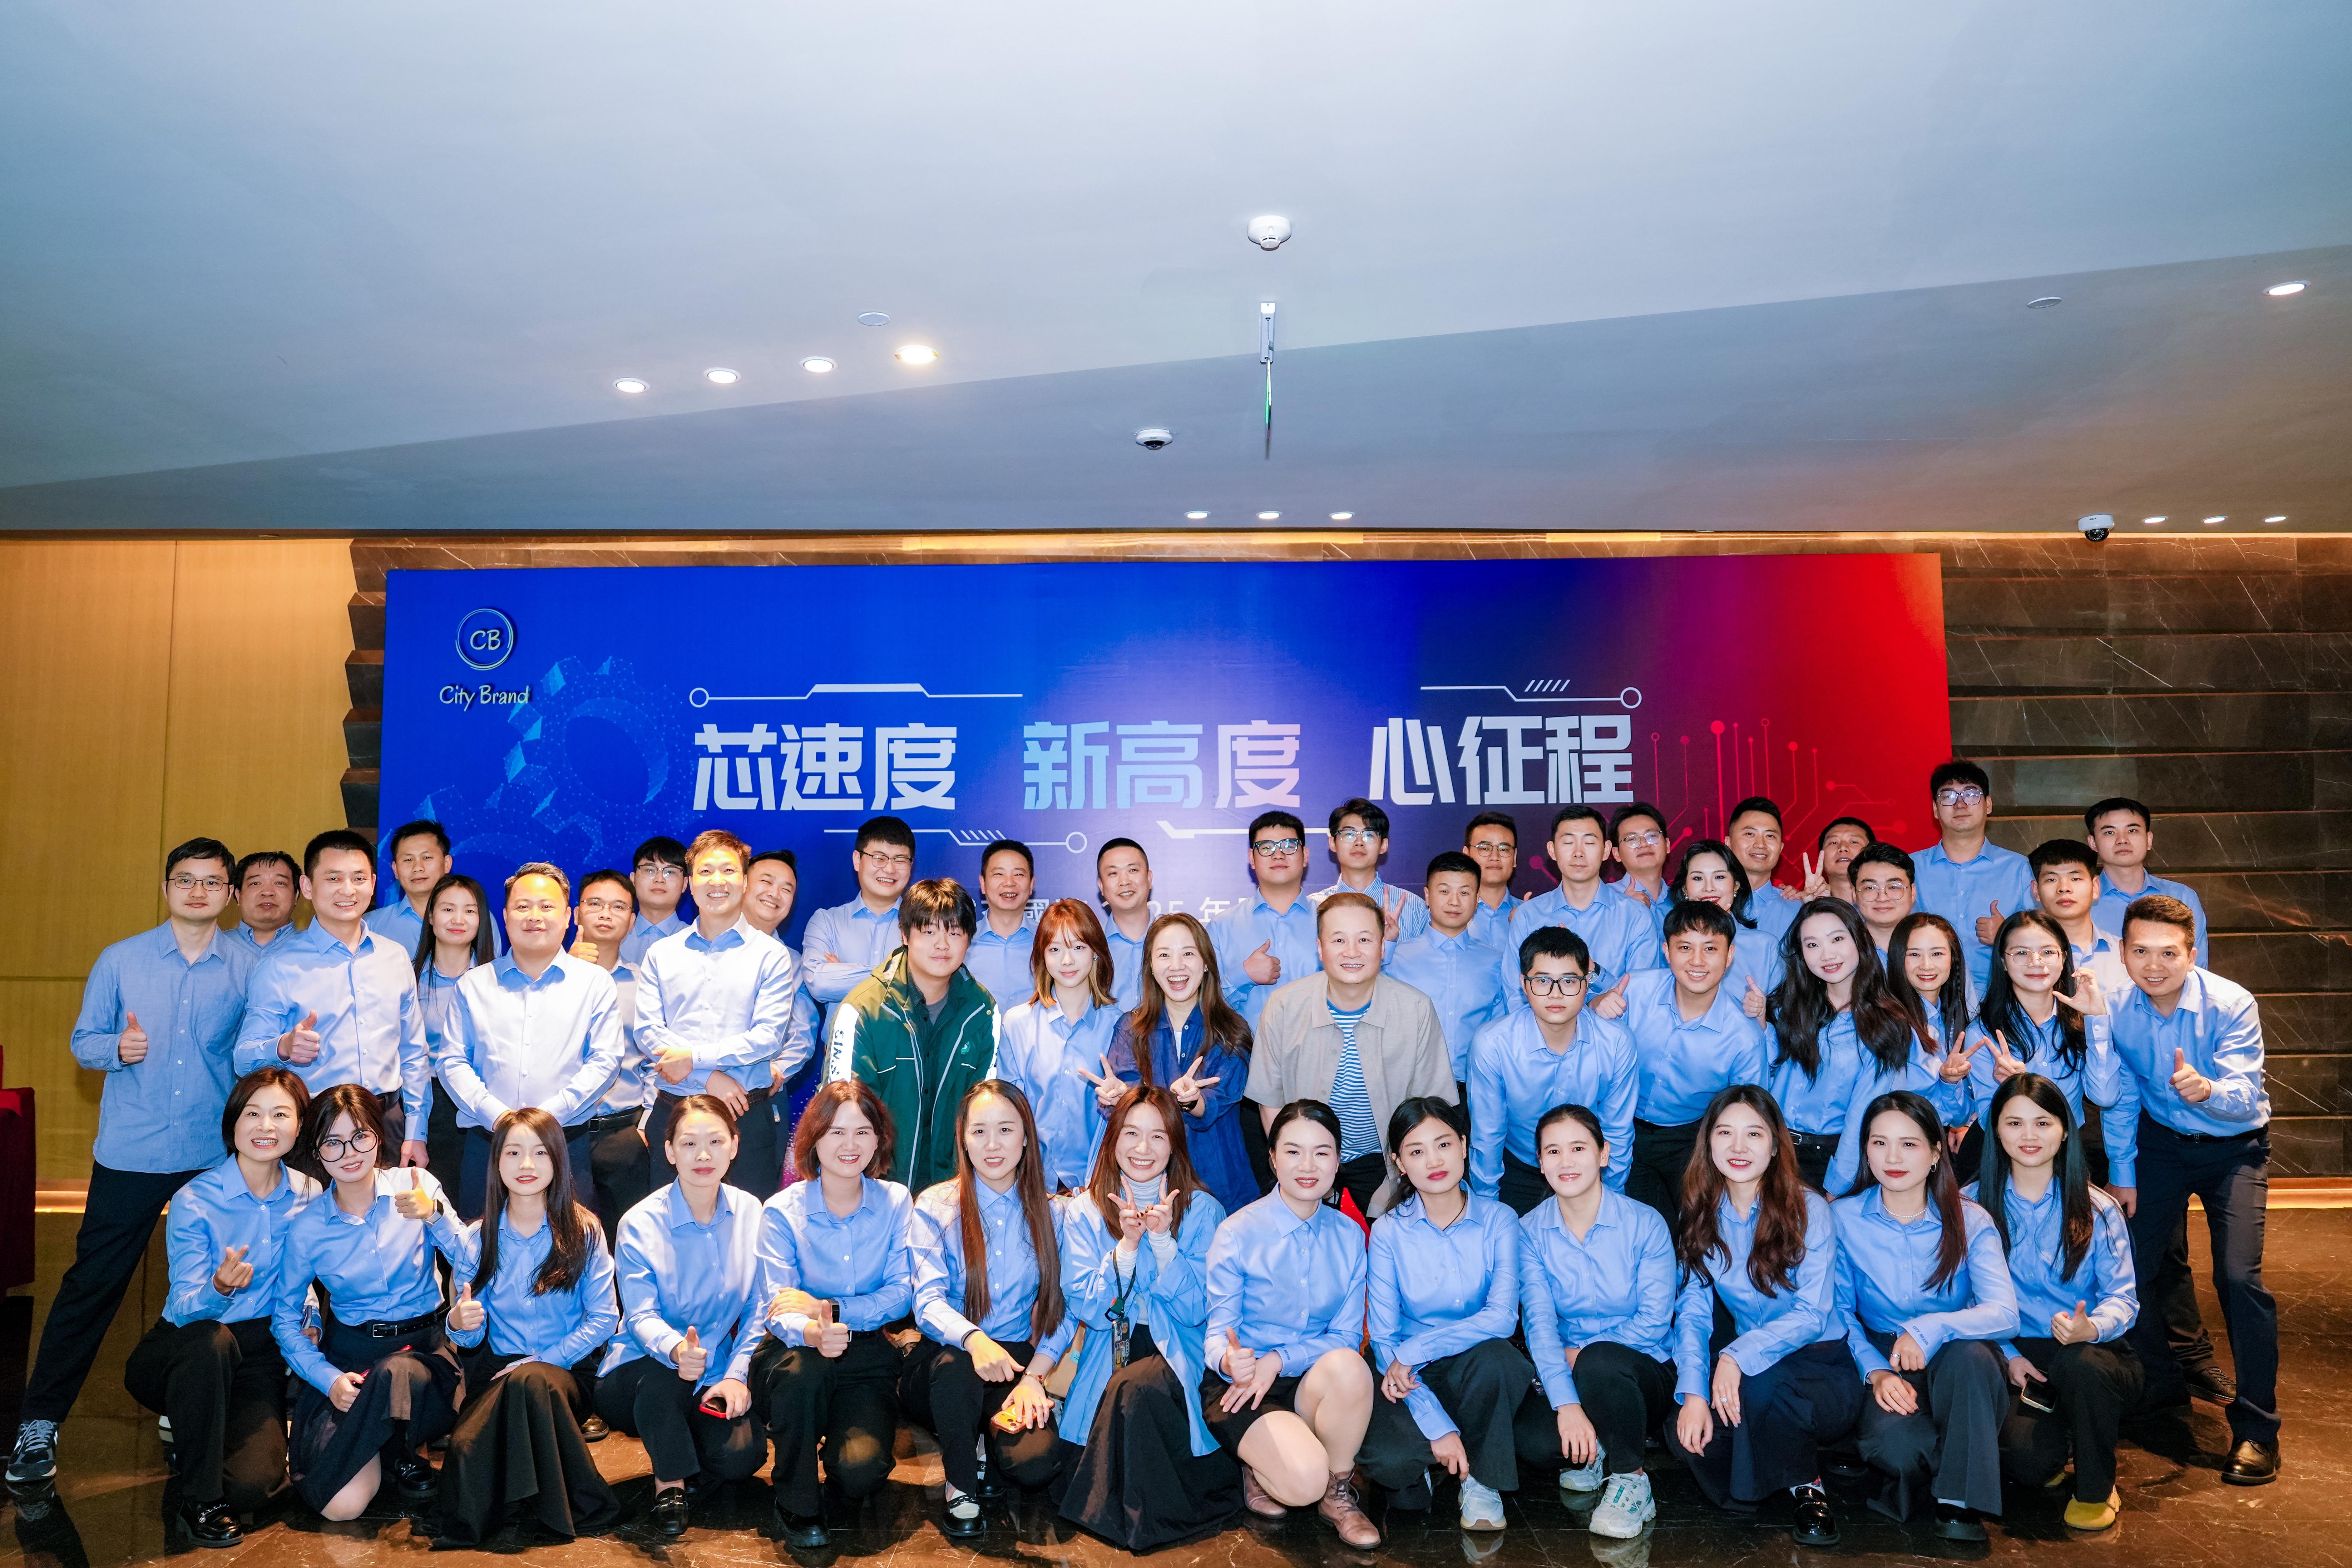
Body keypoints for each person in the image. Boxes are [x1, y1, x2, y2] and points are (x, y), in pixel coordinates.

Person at [10, 837, 255, 1488]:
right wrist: (116, 1046)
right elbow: (83, 1041)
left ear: (230, 894)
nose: (198, 891)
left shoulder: (249, 966)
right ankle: (39, 1421)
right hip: (132, 1150)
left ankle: (197, 1412)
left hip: (212, 1153)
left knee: (218, 1287)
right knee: (92, 1285)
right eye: (185, 879)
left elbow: (254, 1050)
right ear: (166, 887)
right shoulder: (120, 959)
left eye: (212, 882)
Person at [2101, 894, 2280, 1484]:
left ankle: (2258, 1429)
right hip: (2160, 1146)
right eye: (2141, 951)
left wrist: (2207, 1090)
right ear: (2123, 951)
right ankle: (2160, 1388)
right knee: (2130, 1268)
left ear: (2192, 952)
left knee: (2239, 1278)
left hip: (2235, 1147)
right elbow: (2122, 1096)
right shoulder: (2118, 1008)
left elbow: (2247, 1096)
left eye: (2169, 953)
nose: (2154, 965)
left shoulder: (2231, 1002)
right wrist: (2123, 1172)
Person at [121, 1067, 316, 1546]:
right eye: (253, 1113)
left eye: (280, 1114)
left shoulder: (310, 1194)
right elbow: (187, 1307)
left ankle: (197, 1431)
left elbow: (307, 1276)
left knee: (254, 1487)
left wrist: (309, 1318)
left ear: (299, 1126)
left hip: (258, 1354)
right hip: (186, 1347)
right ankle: (200, 1501)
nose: (265, 1126)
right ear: (233, 1123)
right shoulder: (195, 1199)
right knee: (214, 1340)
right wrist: (220, 1288)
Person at [1663, 1086, 1856, 1548]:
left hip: (1819, 1364)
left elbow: (1812, 1314)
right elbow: (1693, 1311)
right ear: (1708, 1143)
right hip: (1752, 1366)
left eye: (1754, 1134)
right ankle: (1768, 1464)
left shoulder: (1809, 1208)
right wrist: (1694, 1391)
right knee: (1682, 1432)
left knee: (1760, 1386)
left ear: (1774, 1145)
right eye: (1725, 1133)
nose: (1738, 1146)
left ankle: (1808, 1485)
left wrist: (1735, 1356)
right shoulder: (1701, 1211)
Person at [271, 1085, 469, 1521]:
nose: (349, 1153)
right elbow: (284, 1319)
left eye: (360, 1136)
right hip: (353, 1357)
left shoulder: (417, 1186)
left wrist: (435, 1216)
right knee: (343, 1508)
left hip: (424, 1353)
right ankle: (394, 1449)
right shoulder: (308, 1228)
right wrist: (327, 1379)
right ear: (316, 1151)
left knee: (397, 1372)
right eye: (333, 1142)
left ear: (379, 1137)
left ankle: (393, 1445)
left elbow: (473, 1262)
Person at [1056, 1085, 1239, 1551]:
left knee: (1134, 1388)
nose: (1143, 1148)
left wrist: (1162, 1242)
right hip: (1110, 1346)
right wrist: (1127, 1246)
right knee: (1112, 1396)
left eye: (1158, 1136)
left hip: (1179, 1349)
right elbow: (1091, 1311)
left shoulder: (1203, 1209)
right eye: (1132, 1133)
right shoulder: (1083, 1211)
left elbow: (1197, 1311)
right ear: (1112, 1138)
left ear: (1175, 1143)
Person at [1835, 1090, 2019, 1540]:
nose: (1892, 1157)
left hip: (1958, 1351)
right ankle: (1968, 1446)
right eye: (1879, 1143)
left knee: (1970, 1357)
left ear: (1937, 1152)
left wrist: (1930, 1327)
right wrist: (1876, 1371)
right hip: (1883, 1351)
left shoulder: (1970, 1218)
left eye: (1909, 1144)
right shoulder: (1841, 1218)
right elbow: (1837, 1312)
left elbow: (2003, 1313)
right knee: (1896, 1448)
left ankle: (1958, 1502)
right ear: (1865, 1150)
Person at [434, 1106, 621, 1548]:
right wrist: (459, 1323)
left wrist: (542, 1359)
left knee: (533, 1380)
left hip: (565, 1374)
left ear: (558, 1160)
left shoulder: (584, 1230)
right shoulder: (477, 1238)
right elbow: (468, 1337)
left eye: (540, 1152)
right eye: (513, 1152)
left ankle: (533, 1510)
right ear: (496, 1163)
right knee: (465, 1447)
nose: (526, 1164)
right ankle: (543, 1505)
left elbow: (605, 1318)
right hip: (497, 1371)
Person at [1201, 1100, 1380, 1548]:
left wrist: (1280, 1359)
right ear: (1273, 1158)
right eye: (1293, 1151)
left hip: (1309, 1378)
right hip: (1244, 1385)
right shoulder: (1237, 1232)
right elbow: (1217, 1334)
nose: (1308, 1166)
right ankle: (1258, 1464)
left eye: (1322, 1152)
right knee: (1302, 1484)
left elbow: (1345, 1338)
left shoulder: (1349, 1236)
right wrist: (1231, 1360)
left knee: (1351, 1366)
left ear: (1337, 1161)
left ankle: (1337, 1492)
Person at [1967, 1074, 2141, 1532]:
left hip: (2090, 1352)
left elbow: (2123, 1298)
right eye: (2014, 1123)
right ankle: (2063, 1436)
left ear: (2065, 1130)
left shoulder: (2099, 1208)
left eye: (2042, 1123)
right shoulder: (1969, 1206)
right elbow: (1963, 1298)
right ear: (1995, 1130)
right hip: (2016, 1353)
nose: (2029, 1135)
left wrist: (2092, 1327)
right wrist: (2007, 1354)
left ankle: (2096, 1488)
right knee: (2027, 1463)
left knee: (2083, 1367)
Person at [904, 1080, 1074, 1537]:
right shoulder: (936, 1205)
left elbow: (1066, 1309)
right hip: (943, 1362)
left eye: (1006, 1129)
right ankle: (960, 1485)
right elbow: (926, 1301)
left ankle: (985, 1441)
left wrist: (1034, 1377)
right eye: (979, 1131)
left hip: (1014, 1361)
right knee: (958, 1366)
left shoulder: (1055, 1214)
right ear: (963, 1138)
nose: (992, 1144)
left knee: (1035, 1463)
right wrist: (974, 1338)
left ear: (1026, 1137)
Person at [750, 1081, 913, 1547]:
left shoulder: (896, 1201)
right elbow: (778, 1306)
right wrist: (813, 1331)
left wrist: (832, 1309)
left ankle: (836, 1449)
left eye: (862, 1131)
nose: (849, 1144)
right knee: (804, 1372)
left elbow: (902, 1294)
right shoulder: (782, 1210)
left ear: (879, 1139)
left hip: (866, 1357)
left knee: (862, 1473)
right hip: (795, 1352)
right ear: (814, 1137)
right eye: (836, 1131)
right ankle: (795, 1500)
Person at [595, 1094, 766, 1538]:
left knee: (741, 1458)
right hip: (639, 1371)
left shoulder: (752, 1212)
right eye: (689, 1144)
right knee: (665, 1380)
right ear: (670, 1151)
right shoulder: (640, 1223)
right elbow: (640, 1315)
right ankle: (669, 1484)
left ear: (734, 1145)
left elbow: (758, 1307)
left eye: (715, 1141)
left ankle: (681, 1439)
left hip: (714, 1372)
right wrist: (675, 1349)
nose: (703, 1155)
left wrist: (737, 1375)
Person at [1359, 1099, 1531, 1532]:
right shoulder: (1387, 1231)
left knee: (1499, 1360)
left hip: (1475, 1365)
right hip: (1408, 1374)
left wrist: (1416, 1347)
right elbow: (1385, 1340)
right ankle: (1440, 1449)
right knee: (1391, 1465)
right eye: (1416, 1151)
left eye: (1443, 1144)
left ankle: (1482, 1479)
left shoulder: (1500, 1219)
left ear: (1464, 1146)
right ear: (1399, 1163)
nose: (1433, 1161)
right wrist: (1436, 1425)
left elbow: (1502, 1318)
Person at [1510, 1103, 1676, 1540]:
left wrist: (1582, 1354)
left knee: (1601, 1361)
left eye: (1579, 1148)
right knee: (1536, 1442)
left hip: (1643, 1370)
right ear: (1539, 1162)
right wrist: (1567, 1404)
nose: (1566, 1161)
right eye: (1553, 1151)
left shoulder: (1645, 1223)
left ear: (1604, 1154)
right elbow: (1539, 1326)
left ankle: (1631, 1479)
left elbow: (1654, 1321)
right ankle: (1599, 1445)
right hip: (1568, 1369)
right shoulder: (1528, 1232)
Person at [1244, 892, 1453, 1216]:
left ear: (1382, 947)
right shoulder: (1283, 1006)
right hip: (1308, 1161)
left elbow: (1430, 1106)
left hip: (1385, 1161)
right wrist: (1294, 1164)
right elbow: (1270, 1100)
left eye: (1365, 939)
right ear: (1320, 948)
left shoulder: (1416, 1009)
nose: (1352, 951)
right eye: (1339, 939)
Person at [233, 829, 430, 1166]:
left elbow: (413, 1051)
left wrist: (417, 1129)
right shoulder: (280, 965)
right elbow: (243, 1057)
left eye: (358, 878)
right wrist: (283, 1046)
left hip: (388, 1121)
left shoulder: (395, 956)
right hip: (316, 1121)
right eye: (334, 878)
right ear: (308, 886)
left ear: (373, 883)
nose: (348, 890)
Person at [440, 863, 625, 1220]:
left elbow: (605, 1060)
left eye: (547, 906)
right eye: (523, 907)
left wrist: (547, 1119)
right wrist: (499, 1118)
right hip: (488, 1144)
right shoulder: (474, 985)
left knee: (570, 1246)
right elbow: (452, 1061)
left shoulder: (595, 983)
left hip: (566, 1143)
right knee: (481, 1244)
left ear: (568, 916)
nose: (534, 916)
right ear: (506, 916)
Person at [638, 830, 803, 1201]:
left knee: (747, 1226)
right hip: (675, 1112)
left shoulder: (771, 955)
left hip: (745, 1114)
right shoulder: (662, 954)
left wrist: (694, 1058)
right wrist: (709, 1076)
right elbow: (648, 1031)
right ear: (690, 883)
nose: (717, 881)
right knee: (668, 1225)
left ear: (744, 882)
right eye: (705, 871)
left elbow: (768, 1038)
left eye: (728, 871)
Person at [1597, 902, 1769, 1228]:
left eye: (1710, 948)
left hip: (1689, 1140)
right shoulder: (1636, 989)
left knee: (1687, 1229)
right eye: (1685, 947)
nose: (1697, 961)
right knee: (1624, 1222)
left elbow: (1750, 1113)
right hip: (1619, 1124)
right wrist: (1596, 1004)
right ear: (1667, 951)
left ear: (1730, 956)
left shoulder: (1745, 1037)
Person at [825, 878, 1000, 1192]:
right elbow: (838, 1117)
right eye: (929, 932)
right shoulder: (863, 1011)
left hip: (954, 1193)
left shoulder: (982, 1011)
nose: (942, 944)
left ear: (969, 940)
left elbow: (988, 1111)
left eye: (955, 932)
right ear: (905, 935)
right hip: (876, 1192)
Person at [1763, 899, 1940, 1193]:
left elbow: (1862, 1117)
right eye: (1812, 944)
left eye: (1837, 939)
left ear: (1859, 939)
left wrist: (1837, 1187)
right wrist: (1760, 1024)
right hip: (1770, 1150)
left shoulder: (1886, 1025)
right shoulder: (1786, 1005)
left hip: (1829, 1159)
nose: (1827, 954)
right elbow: (1762, 1076)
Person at [1466, 928, 1638, 1211]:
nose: (1556, 994)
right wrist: (1487, 1208)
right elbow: (1488, 1136)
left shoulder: (1616, 1042)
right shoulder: (1493, 1044)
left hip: (1587, 1169)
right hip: (1520, 1166)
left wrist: (1612, 1200)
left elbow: (1617, 1132)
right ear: (1524, 984)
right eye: (1543, 981)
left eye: (1569, 981)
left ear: (1587, 983)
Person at [1107, 912, 1259, 1215]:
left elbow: (1215, 1102)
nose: (1176, 966)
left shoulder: (1232, 1031)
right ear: (1151, 966)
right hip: (1146, 1191)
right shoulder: (1130, 1029)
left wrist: (1192, 1101)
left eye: (1188, 953)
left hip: (1221, 1187)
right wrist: (1119, 1099)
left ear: (1206, 962)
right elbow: (1128, 1098)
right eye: (1164, 955)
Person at [1960, 909, 2118, 1148]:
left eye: (2048, 952)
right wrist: (2015, 1089)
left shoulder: (2083, 1023)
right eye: (2021, 953)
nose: (2036, 962)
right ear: (2003, 962)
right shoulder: (1983, 1033)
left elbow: (2105, 1096)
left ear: (2064, 959)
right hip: (2010, 1155)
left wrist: (2097, 1019)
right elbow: (1988, 1122)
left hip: (2069, 1151)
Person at [995, 899, 1121, 1192]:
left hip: (1100, 1185)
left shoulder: (1120, 1025)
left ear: (1096, 952)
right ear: (1042, 956)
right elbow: (1009, 1112)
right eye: (1055, 949)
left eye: (1078, 947)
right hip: (1031, 1183)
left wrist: (1123, 1098)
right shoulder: (1017, 1024)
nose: (1067, 960)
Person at [571, 869, 656, 1243]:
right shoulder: (548, 978)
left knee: (629, 1240)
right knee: (567, 1242)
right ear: (576, 914)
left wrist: (647, 1124)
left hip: (624, 1132)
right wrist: (570, 969)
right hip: (564, 1132)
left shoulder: (644, 984)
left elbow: (656, 1058)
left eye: (618, 907)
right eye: (595, 904)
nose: (606, 913)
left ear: (632, 921)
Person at [1503, 806, 1660, 1009]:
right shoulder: (1528, 916)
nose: (1579, 853)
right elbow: (1516, 997)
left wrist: (1594, 972)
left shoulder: (1636, 916)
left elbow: (1641, 995)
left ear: (1606, 850)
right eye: (1569, 843)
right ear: (1552, 850)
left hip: (1614, 1030)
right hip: (1541, 1030)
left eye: (1589, 843)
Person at [1910, 759, 2034, 998]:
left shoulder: (2018, 868)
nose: (1960, 804)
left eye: (1971, 794)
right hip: (1926, 999)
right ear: (1935, 809)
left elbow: (2041, 939)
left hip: (2001, 1000)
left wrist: (2006, 935)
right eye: (1948, 796)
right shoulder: (1910, 868)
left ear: (1989, 805)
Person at [1385, 851, 1506, 1094]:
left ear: (1477, 899)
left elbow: (1501, 1031)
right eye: (1444, 891)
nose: (1454, 902)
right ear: (1427, 896)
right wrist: (1384, 947)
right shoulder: (1396, 958)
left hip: (1474, 1090)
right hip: (1412, 1089)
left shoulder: (1496, 962)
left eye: (1464, 893)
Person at [737, 848, 825, 1173]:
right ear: (743, 884)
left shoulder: (794, 962)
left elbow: (803, 1033)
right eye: (767, 882)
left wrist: (779, 1071)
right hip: (700, 1093)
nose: (775, 893)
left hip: (764, 1099)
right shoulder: (701, 947)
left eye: (787, 889)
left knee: (757, 1193)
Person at [411, 873, 495, 1199]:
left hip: (485, 1101)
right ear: (431, 916)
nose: (458, 919)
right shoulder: (409, 977)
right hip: (428, 1100)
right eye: (448, 909)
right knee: (431, 1202)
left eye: (470, 911)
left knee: (479, 1203)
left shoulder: (500, 979)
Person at [1209, 811, 1323, 1028]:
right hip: (1247, 1048)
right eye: (1266, 847)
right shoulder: (1221, 926)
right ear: (1252, 859)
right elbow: (1203, 1005)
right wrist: (1243, 976)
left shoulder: (1330, 920)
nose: (1278, 855)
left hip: (1321, 1047)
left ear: (1305, 855)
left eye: (1289, 846)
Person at [2086, 797, 2210, 969]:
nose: (2122, 840)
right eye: (2110, 833)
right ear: (2093, 843)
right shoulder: (2079, 901)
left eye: (2132, 831)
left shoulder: (2182, 897)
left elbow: (2197, 969)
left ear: (2149, 840)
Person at [804, 816, 916, 1004]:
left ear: (911, 866)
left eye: (900, 860)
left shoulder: (926, 923)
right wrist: (902, 976)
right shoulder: (827, 921)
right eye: (879, 858)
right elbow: (819, 984)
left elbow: (934, 985)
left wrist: (844, 973)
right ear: (858, 860)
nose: (890, 869)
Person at [1667, 838, 1780, 1010]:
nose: (1709, 888)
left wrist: (1759, 1015)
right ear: (1685, 889)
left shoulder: (1766, 946)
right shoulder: (1670, 940)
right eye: (1698, 878)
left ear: (1736, 886)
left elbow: (1782, 1016)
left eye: (1719, 877)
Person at [1313, 797, 1430, 947]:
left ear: (1384, 845)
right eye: (1349, 834)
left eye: (1369, 835)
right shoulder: (1314, 907)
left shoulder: (1414, 908)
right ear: (1333, 843)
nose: (1359, 842)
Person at [2031, 838, 2125, 977]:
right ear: (2036, 891)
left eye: (2075, 879)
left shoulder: (2124, 954)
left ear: (2095, 887)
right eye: (2052, 880)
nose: (2064, 888)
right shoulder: (2025, 958)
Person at [967, 841, 1038, 1012]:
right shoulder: (962, 942)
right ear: (983, 883)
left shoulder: (1051, 940)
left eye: (1019, 874)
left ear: (1032, 885)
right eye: (999, 874)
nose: (1009, 883)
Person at [1725, 797, 1802, 943]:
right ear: (1729, 843)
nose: (1761, 844)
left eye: (1770, 836)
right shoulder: (1710, 902)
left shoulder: (1798, 910)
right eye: (1750, 834)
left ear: (1781, 848)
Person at [1094, 838, 1156, 1008]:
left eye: (1133, 870)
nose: (1124, 881)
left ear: (1149, 878)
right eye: (1113, 874)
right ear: (1101, 886)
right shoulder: (1089, 945)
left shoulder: (1177, 939)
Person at [620, 836, 691, 968]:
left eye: (670, 872)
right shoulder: (613, 935)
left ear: (685, 884)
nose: (659, 879)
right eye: (650, 870)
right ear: (633, 879)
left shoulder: (696, 942)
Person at [1605, 802, 1674, 930]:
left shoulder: (1682, 899)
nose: (1644, 844)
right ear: (1617, 854)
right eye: (1632, 839)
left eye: (1652, 836)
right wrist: (1621, 913)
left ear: (1667, 845)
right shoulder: (1605, 899)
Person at [1462, 811, 1524, 945]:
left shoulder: (1530, 915)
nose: (1495, 857)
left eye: (1504, 849)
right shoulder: (1449, 913)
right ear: (1467, 855)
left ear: (1514, 857)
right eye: (1484, 848)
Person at [1850, 842, 1919, 962]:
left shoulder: (1935, 946)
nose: (1882, 898)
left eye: (1894, 887)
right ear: (1855, 895)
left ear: (1913, 892)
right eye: (1870, 888)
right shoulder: (1843, 951)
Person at [225, 850, 301, 953]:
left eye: (280, 883)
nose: (268, 892)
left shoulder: (315, 949)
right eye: (255, 883)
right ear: (238, 895)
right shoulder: (214, 946)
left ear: (296, 896)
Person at [1812, 816, 1878, 904]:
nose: (1843, 848)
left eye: (1854, 842)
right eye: (1834, 843)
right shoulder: (1801, 907)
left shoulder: (1890, 907)